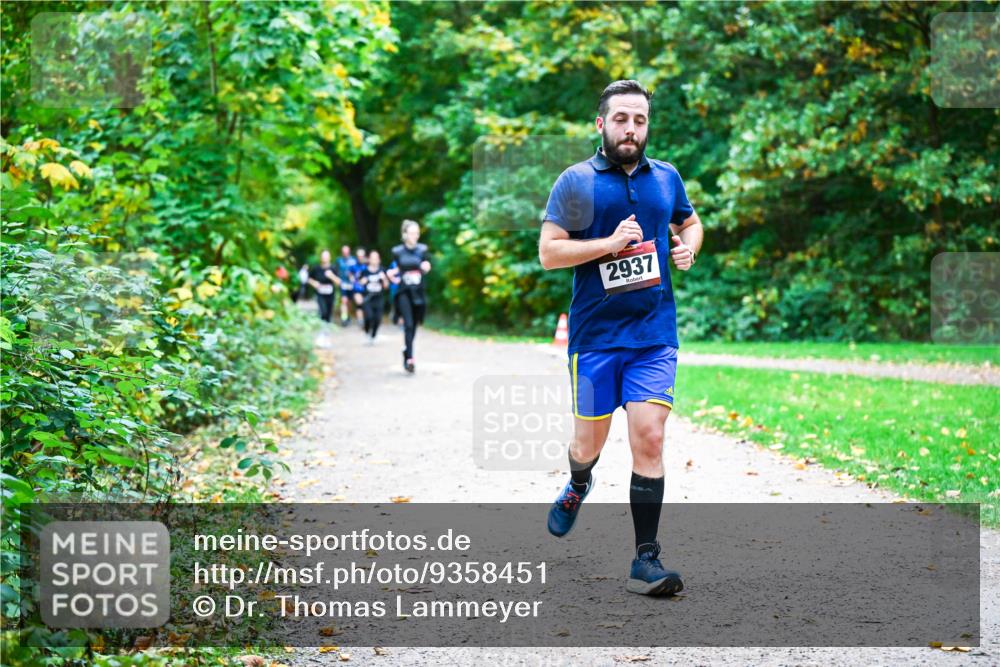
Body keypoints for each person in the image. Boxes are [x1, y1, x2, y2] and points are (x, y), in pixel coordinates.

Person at [538, 80, 704, 596]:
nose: (631, 129)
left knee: (649, 437)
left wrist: (688, 249)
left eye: (640, 120)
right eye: (621, 119)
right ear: (601, 124)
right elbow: (549, 252)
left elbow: (691, 223)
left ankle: (645, 560)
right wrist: (609, 244)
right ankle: (579, 483)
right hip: (594, 338)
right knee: (588, 445)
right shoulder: (576, 181)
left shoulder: (666, 178)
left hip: (654, 334)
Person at [387, 220, 431, 374]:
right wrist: (391, 275)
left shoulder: (422, 249)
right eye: (412, 233)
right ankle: (410, 359)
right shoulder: (397, 251)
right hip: (404, 292)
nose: (415, 236)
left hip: (418, 292)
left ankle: (407, 350)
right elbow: (394, 269)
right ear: (405, 234)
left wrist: (426, 267)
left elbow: (426, 264)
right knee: (409, 325)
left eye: (417, 233)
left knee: (416, 323)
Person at [358, 250, 389, 343]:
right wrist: (362, 282)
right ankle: (367, 332)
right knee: (368, 317)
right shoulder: (364, 271)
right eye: (372, 258)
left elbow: (386, 286)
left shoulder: (382, 270)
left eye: (376, 258)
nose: (374, 260)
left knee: (377, 318)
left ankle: (373, 335)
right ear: (369, 260)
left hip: (378, 298)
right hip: (368, 298)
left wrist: (384, 279)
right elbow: (359, 284)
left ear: (379, 260)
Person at [307, 249, 341, 324]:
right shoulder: (316, 268)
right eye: (323, 256)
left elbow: (339, 282)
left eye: (326, 256)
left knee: (328, 313)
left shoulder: (333, 268)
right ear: (321, 257)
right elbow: (309, 279)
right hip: (320, 294)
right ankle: (322, 328)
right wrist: (314, 283)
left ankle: (327, 328)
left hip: (330, 294)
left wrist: (331, 276)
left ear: (330, 257)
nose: (325, 258)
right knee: (323, 311)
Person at [335, 245, 357, 326]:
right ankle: (344, 318)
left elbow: (357, 271)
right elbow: (336, 271)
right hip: (343, 283)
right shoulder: (339, 260)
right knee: (344, 300)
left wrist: (353, 277)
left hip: (351, 284)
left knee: (349, 302)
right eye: (344, 251)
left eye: (347, 251)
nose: (345, 253)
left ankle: (348, 316)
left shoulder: (353, 260)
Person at [349, 247, 368, 327]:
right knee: (359, 303)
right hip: (357, 288)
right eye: (359, 256)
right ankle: (360, 321)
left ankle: (366, 319)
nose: (360, 257)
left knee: (365, 304)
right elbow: (350, 275)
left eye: (362, 256)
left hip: (367, 289)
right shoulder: (353, 265)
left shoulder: (368, 265)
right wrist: (353, 280)